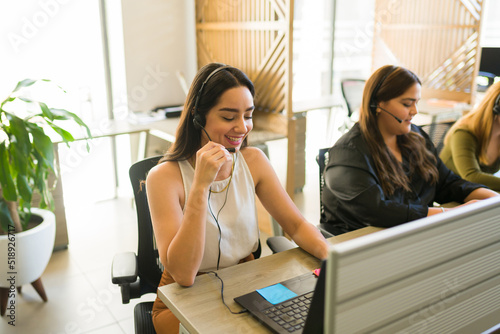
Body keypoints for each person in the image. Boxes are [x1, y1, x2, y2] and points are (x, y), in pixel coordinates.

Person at [146, 63, 329, 333]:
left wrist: (334, 260)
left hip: (246, 281)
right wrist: (200, 187)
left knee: (305, 318)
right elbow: (183, 275)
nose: (242, 127)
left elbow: (297, 226)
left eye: (248, 115)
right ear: (198, 116)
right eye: (229, 117)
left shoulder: (253, 161)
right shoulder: (163, 177)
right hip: (184, 297)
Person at [320, 65, 498, 235]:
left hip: (413, 234)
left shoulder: (416, 137)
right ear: (378, 104)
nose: (415, 111)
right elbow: (378, 211)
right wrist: (448, 213)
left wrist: (492, 199)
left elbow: (446, 183)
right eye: (407, 104)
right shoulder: (348, 153)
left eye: (416, 103)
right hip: (365, 242)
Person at [440, 82, 500, 191]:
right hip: (452, 196)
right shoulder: (464, 132)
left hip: (477, 193)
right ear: (497, 107)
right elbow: (472, 176)